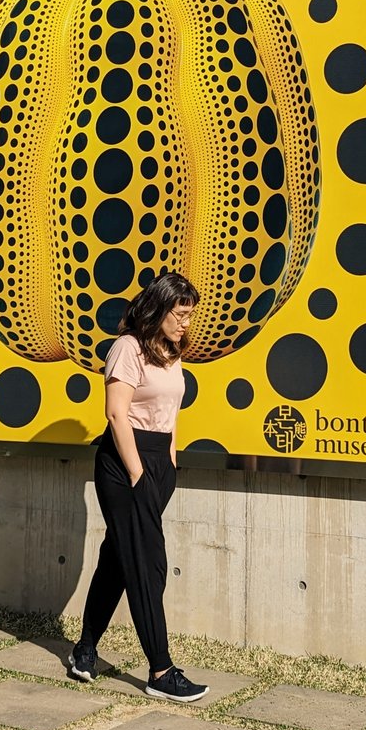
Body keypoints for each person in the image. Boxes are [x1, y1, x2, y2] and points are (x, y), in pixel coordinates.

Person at [68, 271, 208, 703]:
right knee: (148, 565)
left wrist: (170, 459)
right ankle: (161, 670)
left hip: (158, 461)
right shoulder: (126, 348)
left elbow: (171, 409)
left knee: (119, 557)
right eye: (180, 314)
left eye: (189, 315)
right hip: (123, 463)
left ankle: (84, 650)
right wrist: (136, 473)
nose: (186, 323)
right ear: (159, 309)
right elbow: (116, 414)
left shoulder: (170, 352)